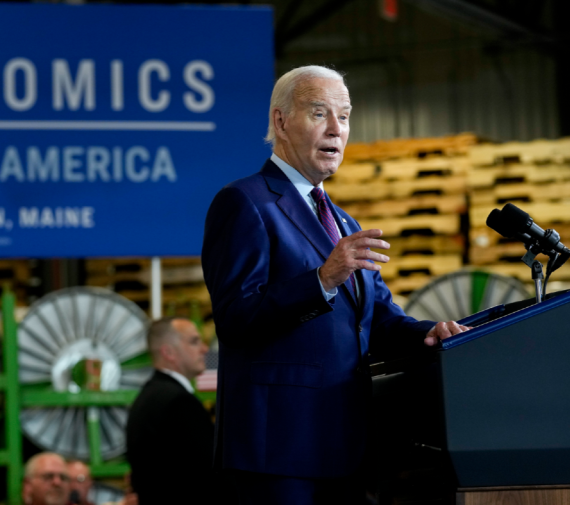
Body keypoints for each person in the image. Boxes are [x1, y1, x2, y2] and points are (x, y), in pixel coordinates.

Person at [200, 65, 470, 505]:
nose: (335, 129)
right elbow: (235, 320)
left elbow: (378, 320)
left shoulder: (344, 221)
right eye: (319, 113)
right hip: (277, 450)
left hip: (347, 446)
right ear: (281, 121)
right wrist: (322, 279)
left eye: (343, 117)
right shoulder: (244, 202)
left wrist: (427, 331)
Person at [125, 317, 220, 505]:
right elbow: (207, 474)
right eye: (194, 341)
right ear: (169, 352)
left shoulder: (148, 397)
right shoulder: (178, 402)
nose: (204, 349)